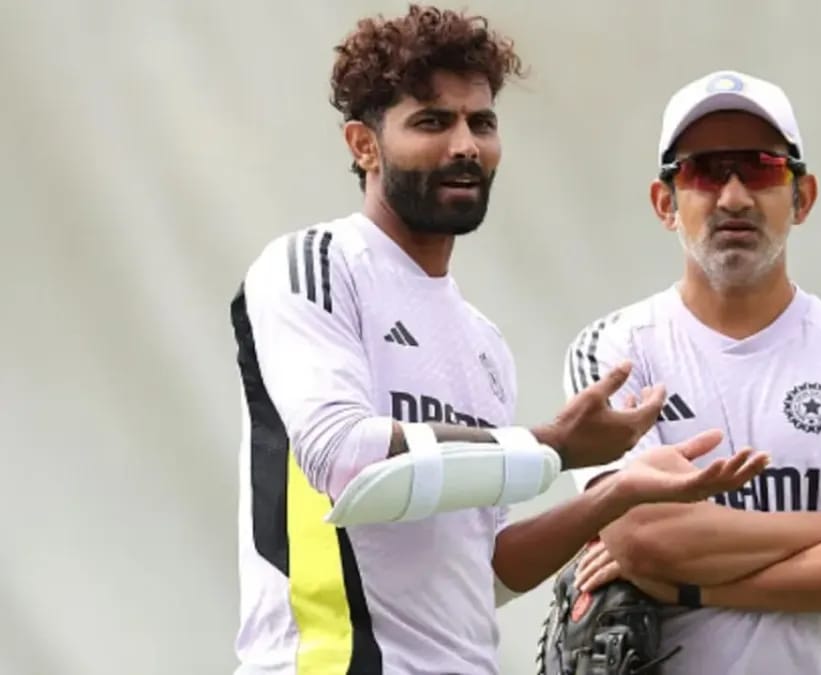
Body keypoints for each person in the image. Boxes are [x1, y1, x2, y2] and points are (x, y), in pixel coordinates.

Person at [227, 9, 769, 675]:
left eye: (481, 123)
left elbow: (479, 574)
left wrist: (616, 494)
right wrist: (553, 445)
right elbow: (344, 456)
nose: (466, 146)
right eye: (432, 122)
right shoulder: (316, 264)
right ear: (363, 144)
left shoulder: (483, 343)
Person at [561, 69, 821, 674]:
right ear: (665, 203)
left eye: (761, 169)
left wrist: (692, 587)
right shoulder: (615, 351)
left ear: (803, 197)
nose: (734, 197)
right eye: (705, 172)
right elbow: (642, 539)